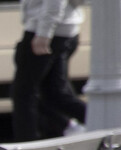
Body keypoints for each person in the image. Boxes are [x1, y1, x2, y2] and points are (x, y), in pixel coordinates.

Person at [10, 0, 87, 142]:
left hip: (46, 32)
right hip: (65, 30)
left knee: (24, 93)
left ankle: (26, 146)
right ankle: (101, 122)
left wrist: (44, 34)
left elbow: (55, 3)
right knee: (55, 93)